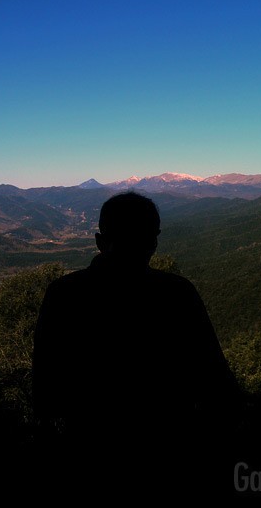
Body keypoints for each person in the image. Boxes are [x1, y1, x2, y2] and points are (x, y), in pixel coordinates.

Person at [32, 191, 239, 492]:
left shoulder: (64, 295)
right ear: (153, 242)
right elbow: (217, 383)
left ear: (100, 242)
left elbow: (44, 390)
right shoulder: (177, 295)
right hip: (169, 456)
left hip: (86, 454)